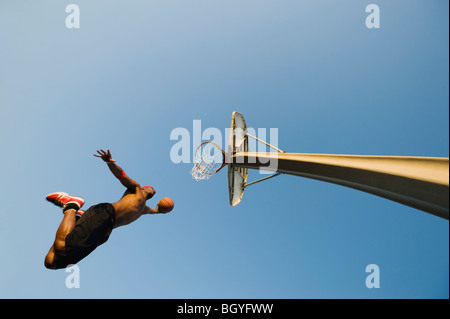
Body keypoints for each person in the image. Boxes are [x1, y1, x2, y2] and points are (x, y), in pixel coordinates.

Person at [44, 149, 169, 270]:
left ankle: (78, 217)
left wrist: (159, 210)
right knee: (62, 247)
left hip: (104, 232)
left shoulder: (144, 209)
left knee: (51, 262)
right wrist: (110, 162)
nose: (154, 190)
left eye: (154, 190)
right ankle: (72, 205)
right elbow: (121, 176)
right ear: (143, 188)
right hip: (104, 214)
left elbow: (154, 211)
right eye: (151, 187)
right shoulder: (136, 189)